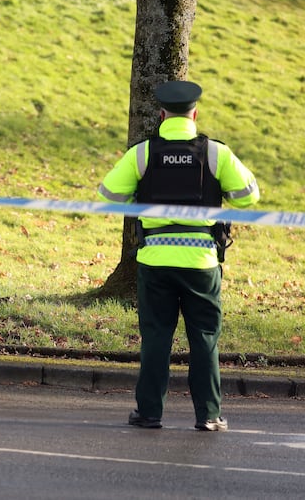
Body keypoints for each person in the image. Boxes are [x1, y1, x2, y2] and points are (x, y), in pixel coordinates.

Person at [98, 80, 260, 431]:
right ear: (195, 114)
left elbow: (109, 193)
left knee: (156, 336)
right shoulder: (216, 153)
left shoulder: (143, 153)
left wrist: (139, 193)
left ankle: (149, 413)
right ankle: (209, 415)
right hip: (201, 261)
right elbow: (249, 196)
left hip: (155, 261)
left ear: (161, 114)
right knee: (204, 337)